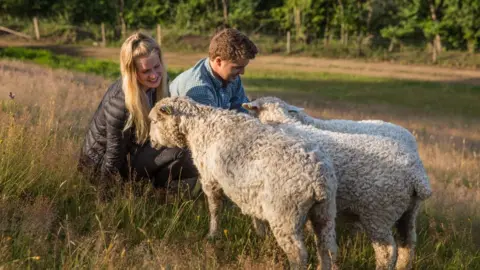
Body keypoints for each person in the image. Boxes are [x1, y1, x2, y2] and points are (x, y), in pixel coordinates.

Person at [78, 32, 197, 191]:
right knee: (179, 152)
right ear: (132, 72)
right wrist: (104, 197)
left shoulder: (159, 84)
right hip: (100, 167)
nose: (154, 75)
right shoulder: (120, 103)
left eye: (157, 66)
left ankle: (155, 190)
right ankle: (148, 192)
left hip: (134, 151)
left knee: (190, 152)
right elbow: (113, 156)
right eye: (146, 71)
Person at [169, 28, 258, 112]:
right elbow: (211, 125)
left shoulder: (232, 77)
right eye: (237, 67)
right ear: (218, 61)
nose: (242, 72)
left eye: (243, 67)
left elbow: (243, 111)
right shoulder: (199, 90)